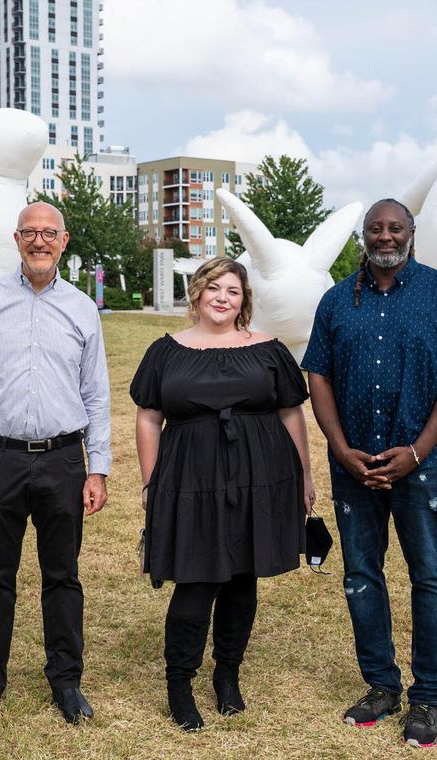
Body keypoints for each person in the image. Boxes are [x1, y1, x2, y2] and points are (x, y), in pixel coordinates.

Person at [301, 199, 437, 749]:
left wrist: (418, 450)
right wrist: (341, 449)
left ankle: (427, 697)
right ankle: (382, 686)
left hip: (420, 466)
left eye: (395, 227)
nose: (386, 236)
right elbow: (319, 376)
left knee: (429, 576)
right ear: (365, 236)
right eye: (376, 228)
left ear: (411, 232)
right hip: (353, 463)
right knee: (361, 575)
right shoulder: (337, 301)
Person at [0, 201, 111, 729]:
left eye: (49, 233)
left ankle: (66, 681)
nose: (39, 241)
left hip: (63, 458)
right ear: (16, 239)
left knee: (62, 576)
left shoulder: (83, 308)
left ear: (64, 241)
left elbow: (96, 394)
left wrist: (97, 467)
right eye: (30, 232)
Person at [130, 257, 316, 731]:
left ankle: (227, 676)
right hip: (190, 478)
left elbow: (292, 413)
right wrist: (151, 482)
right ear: (196, 292)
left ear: (244, 300)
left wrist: (305, 477)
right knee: (196, 581)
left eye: (232, 291)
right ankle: (180, 683)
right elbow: (149, 416)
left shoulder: (268, 350)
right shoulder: (166, 351)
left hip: (261, 475)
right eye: (214, 288)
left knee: (242, 578)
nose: (222, 298)